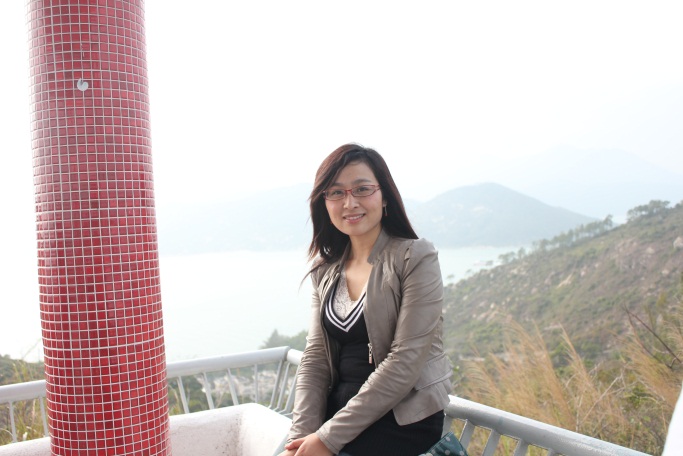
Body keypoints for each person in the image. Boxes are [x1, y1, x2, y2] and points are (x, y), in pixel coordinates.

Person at [279, 144, 453, 456]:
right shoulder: (325, 271)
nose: (350, 202)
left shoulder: (414, 257)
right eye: (336, 193)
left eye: (362, 189)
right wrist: (301, 438)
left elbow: (405, 360)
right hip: (340, 413)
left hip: (401, 420)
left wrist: (327, 438)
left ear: (384, 196)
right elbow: (315, 359)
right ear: (324, 203)